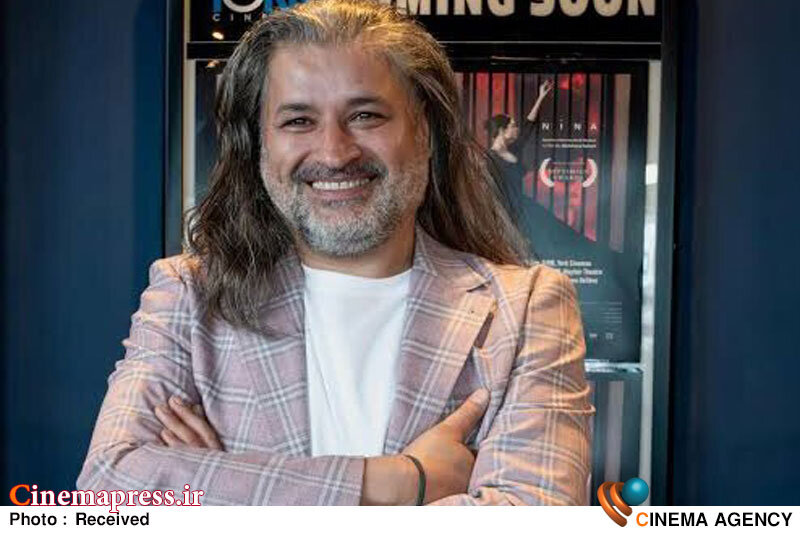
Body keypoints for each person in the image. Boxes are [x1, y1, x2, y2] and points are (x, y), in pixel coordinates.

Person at [77, 0, 593, 506]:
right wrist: (398, 482)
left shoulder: (528, 307)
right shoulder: (188, 295)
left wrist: (224, 492)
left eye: (365, 115)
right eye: (298, 121)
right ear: (259, 143)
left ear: (425, 132)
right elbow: (106, 492)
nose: (334, 152)